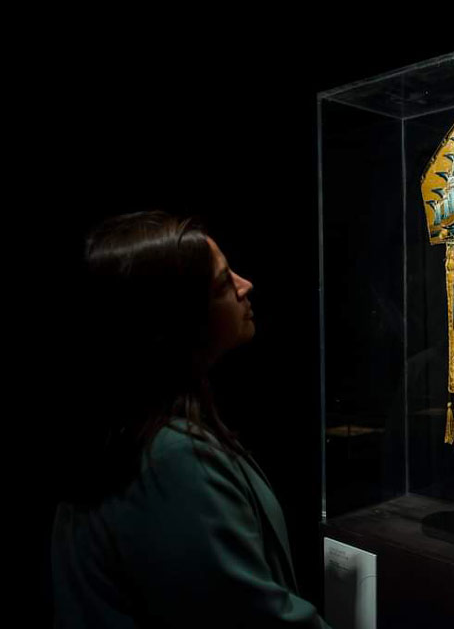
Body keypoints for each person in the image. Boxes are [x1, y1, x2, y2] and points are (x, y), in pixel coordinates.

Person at [50, 211, 331, 628]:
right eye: (222, 284)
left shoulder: (137, 435)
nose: (244, 285)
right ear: (176, 322)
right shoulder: (171, 461)